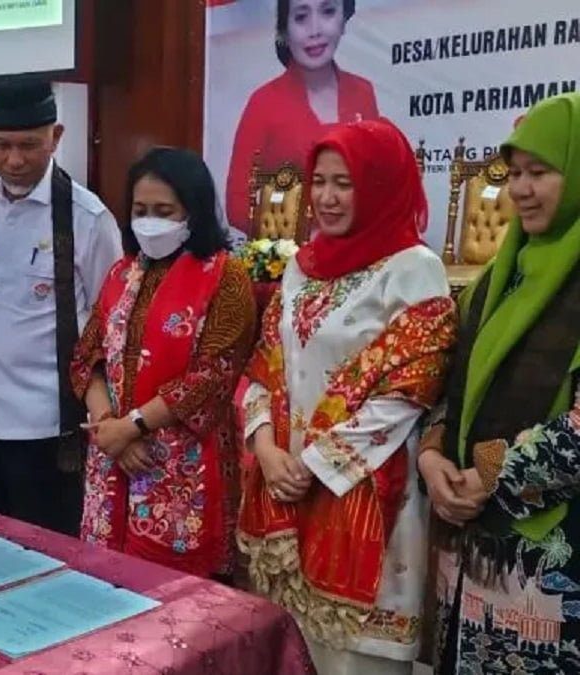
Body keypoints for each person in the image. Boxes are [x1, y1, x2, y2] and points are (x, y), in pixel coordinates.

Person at [236, 119, 455, 674]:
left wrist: (313, 464)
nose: (327, 198)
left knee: (354, 662)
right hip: (285, 485)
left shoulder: (413, 269)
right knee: (290, 651)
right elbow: (265, 365)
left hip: (363, 492)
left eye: (345, 183)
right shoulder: (300, 266)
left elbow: (409, 390)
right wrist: (266, 449)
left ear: (380, 185)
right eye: (320, 181)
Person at [425, 93, 580, 674]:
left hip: (550, 559)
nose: (521, 189)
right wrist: (432, 457)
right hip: (470, 543)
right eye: (514, 173)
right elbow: (450, 388)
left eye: (541, 172)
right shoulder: (495, 278)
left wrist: (486, 473)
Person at [0, 80, 123, 536]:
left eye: (29, 145)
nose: (14, 160)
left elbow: (109, 326)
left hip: (45, 426)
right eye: (2, 145)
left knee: (44, 549)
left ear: (56, 137)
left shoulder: (88, 219)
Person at [71, 148, 254, 578]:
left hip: (179, 462)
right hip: (112, 453)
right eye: (140, 210)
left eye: (164, 211)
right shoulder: (120, 273)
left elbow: (213, 375)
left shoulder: (225, 277)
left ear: (193, 211)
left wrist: (132, 427)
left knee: (174, 593)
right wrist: (109, 427)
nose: (149, 221)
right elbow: (87, 356)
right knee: (105, 585)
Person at [224, 0, 379, 233]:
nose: (314, 30)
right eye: (301, 17)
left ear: (344, 19)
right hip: (290, 251)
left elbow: (376, 184)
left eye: (328, 12)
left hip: (357, 248)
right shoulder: (264, 103)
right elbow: (238, 205)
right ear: (284, 30)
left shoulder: (363, 92)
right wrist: (303, 234)